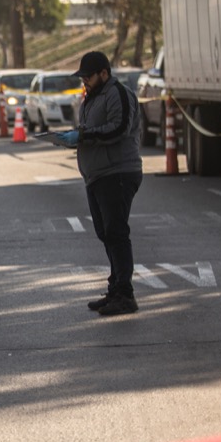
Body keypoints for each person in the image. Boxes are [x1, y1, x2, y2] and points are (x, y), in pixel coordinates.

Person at [56, 50, 143, 316]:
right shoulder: (91, 98)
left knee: (116, 232)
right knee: (106, 233)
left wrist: (84, 135)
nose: (84, 81)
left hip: (117, 173)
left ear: (104, 74)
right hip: (97, 175)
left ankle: (125, 295)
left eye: (88, 76)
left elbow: (119, 128)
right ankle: (116, 288)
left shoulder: (118, 94)